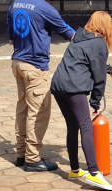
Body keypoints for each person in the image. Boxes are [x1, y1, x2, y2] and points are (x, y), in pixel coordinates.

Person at [51, 11, 112, 191]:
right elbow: (99, 79)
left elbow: (92, 62)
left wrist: (110, 69)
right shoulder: (99, 44)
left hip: (58, 85)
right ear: (107, 26)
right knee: (86, 127)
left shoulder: (80, 37)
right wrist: (95, 103)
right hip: (74, 87)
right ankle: (95, 173)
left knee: (72, 126)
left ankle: (74, 170)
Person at [7, 0, 75, 172]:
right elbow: (69, 34)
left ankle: (22, 154)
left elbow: (11, 40)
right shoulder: (45, 8)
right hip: (35, 68)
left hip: (18, 63)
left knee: (23, 108)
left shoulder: (15, 4)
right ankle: (33, 159)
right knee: (37, 113)